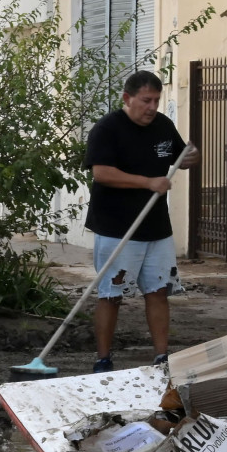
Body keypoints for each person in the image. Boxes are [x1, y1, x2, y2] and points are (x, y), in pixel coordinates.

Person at [84, 70, 199, 372]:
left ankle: (162, 357)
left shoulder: (163, 126)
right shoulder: (107, 129)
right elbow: (102, 173)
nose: (152, 107)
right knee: (111, 294)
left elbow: (181, 156)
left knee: (159, 291)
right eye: (146, 100)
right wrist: (148, 182)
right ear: (127, 98)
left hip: (156, 227)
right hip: (116, 227)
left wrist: (190, 157)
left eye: (156, 101)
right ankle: (103, 359)